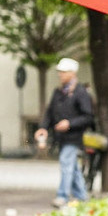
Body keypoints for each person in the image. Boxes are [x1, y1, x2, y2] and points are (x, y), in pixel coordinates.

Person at [34, 57, 94, 207]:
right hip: (60, 137)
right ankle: (82, 197)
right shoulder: (58, 92)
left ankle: (62, 196)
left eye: (63, 72)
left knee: (66, 163)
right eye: (59, 72)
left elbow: (88, 116)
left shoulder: (81, 93)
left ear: (72, 73)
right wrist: (43, 128)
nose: (60, 75)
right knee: (72, 167)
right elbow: (49, 112)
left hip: (73, 137)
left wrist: (70, 123)